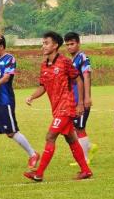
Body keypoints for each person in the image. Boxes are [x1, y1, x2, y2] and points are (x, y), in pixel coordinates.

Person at [23, 31, 92, 182]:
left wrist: (80, 103)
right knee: (71, 139)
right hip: (56, 109)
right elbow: (43, 86)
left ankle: (39, 173)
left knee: (50, 136)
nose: (43, 46)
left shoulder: (65, 62)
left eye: (46, 43)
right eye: (43, 43)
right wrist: (31, 97)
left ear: (55, 45)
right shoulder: (44, 65)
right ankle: (86, 171)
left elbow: (78, 80)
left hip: (66, 107)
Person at [0, 33, 39, 172]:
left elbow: (5, 78)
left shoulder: (10, 59)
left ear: (2, 47)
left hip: (5, 101)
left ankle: (33, 154)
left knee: (11, 132)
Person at [64, 32, 97, 164]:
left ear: (78, 43)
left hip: (81, 100)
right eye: (67, 45)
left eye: (72, 44)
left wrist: (86, 98)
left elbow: (87, 76)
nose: (69, 47)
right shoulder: (72, 60)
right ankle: (89, 146)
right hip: (73, 99)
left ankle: (84, 159)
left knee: (79, 127)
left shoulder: (83, 58)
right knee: (73, 127)